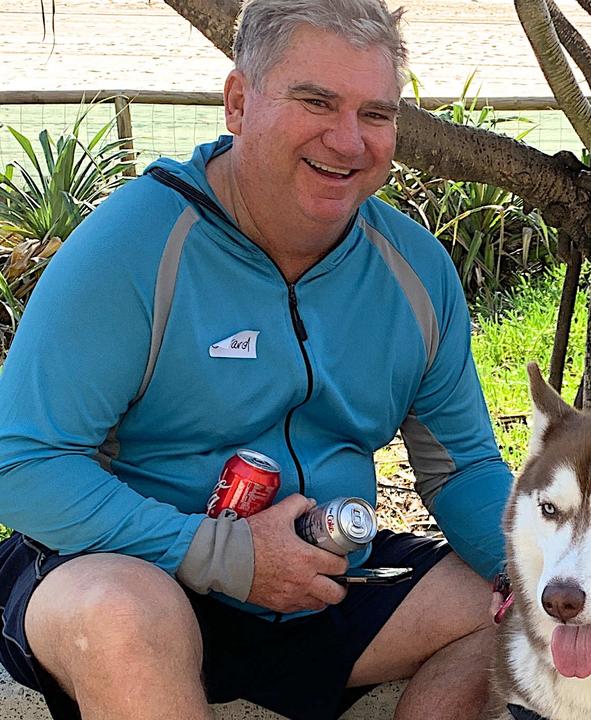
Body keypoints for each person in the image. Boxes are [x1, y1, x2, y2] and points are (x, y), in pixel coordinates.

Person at [0, 1, 511, 718]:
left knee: (521, 611)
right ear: (239, 102)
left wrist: (543, 573)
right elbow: (19, 464)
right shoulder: (133, 245)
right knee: (126, 617)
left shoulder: (415, 270)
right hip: (138, 573)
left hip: (322, 585)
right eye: (316, 102)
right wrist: (221, 555)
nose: (348, 140)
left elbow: (463, 469)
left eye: (376, 113)